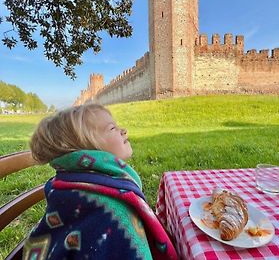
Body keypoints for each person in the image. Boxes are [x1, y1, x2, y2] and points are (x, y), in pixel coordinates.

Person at [23, 103, 177, 260]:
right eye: (112, 128)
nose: (123, 131)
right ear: (87, 148)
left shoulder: (69, 183)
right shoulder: (113, 211)